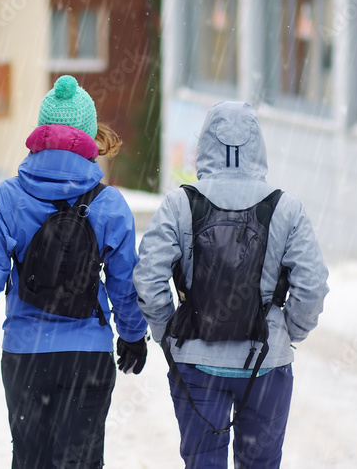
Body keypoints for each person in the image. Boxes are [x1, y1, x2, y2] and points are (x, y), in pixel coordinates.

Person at [0, 75, 149, 469]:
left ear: (40, 135)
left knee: (31, 462)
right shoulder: (109, 204)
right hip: (86, 355)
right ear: (88, 137)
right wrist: (133, 335)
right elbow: (125, 282)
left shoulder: (7, 197)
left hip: (25, 356)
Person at [134, 101, 329, 469]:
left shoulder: (180, 203)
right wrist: (290, 331)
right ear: (258, 145)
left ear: (205, 143)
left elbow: (148, 275)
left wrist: (166, 331)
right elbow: (312, 285)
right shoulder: (287, 208)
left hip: (195, 360)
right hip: (266, 361)